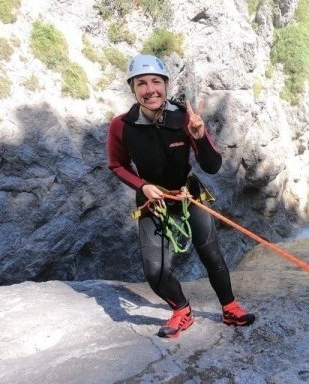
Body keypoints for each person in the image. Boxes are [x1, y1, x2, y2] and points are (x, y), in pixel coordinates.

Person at [106, 54, 255, 338]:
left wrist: (198, 137)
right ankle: (182, 310)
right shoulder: (121, 126)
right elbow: (117, 164)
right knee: (155, 271)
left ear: (166, 85)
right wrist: (141, 185)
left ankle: (230, 307)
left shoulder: (185, 117)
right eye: (141, 83)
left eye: (155, 82)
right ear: (133, 89)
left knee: (212, 256)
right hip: (153, 200)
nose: (150, 89)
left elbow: (212, 166)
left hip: (188, 194)